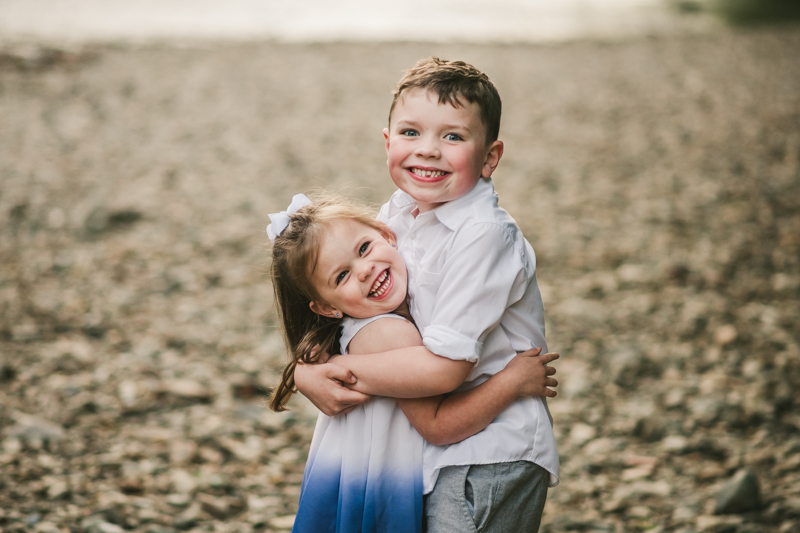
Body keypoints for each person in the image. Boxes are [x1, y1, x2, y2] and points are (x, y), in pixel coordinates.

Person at [296, 57, 560, 532]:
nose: (429, 151)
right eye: (411, 133)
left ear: (490, 157)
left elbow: (444, 369)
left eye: (453, 136)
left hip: (491, 450)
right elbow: (350, 316)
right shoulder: (395, 217)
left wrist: (338, 371)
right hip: (434, 445)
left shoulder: (484, 235)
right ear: (388, 141)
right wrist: (303, 373)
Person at [267, 193, 558, 533]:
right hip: (381, 487)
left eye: (363, 249)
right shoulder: (391, 335)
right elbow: (438, 426)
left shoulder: (343, 333)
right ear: (326, 307)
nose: (364, 271)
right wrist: (513, 381)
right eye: (341, 276)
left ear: (387, 234)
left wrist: (305, 374)